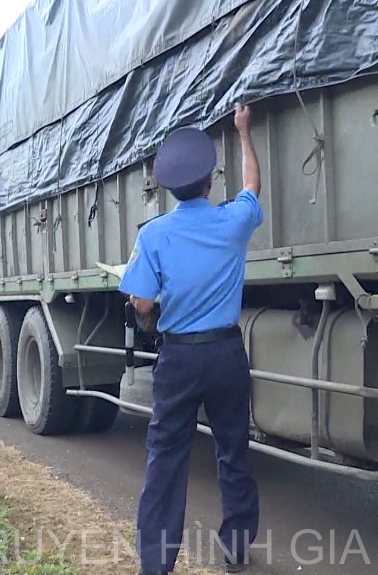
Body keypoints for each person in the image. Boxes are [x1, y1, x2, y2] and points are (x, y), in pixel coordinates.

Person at [119, 102, 264, 575]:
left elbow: (141, 303)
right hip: (226, 354)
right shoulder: (233, 222)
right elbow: (252, 186)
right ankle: (236, 545)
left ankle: (156, 564)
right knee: (233, 449)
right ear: (208, 182)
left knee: (166, 459)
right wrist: (243, 133)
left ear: (170, 188)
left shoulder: (154, 234)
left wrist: (158, 300)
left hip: (178, 359)